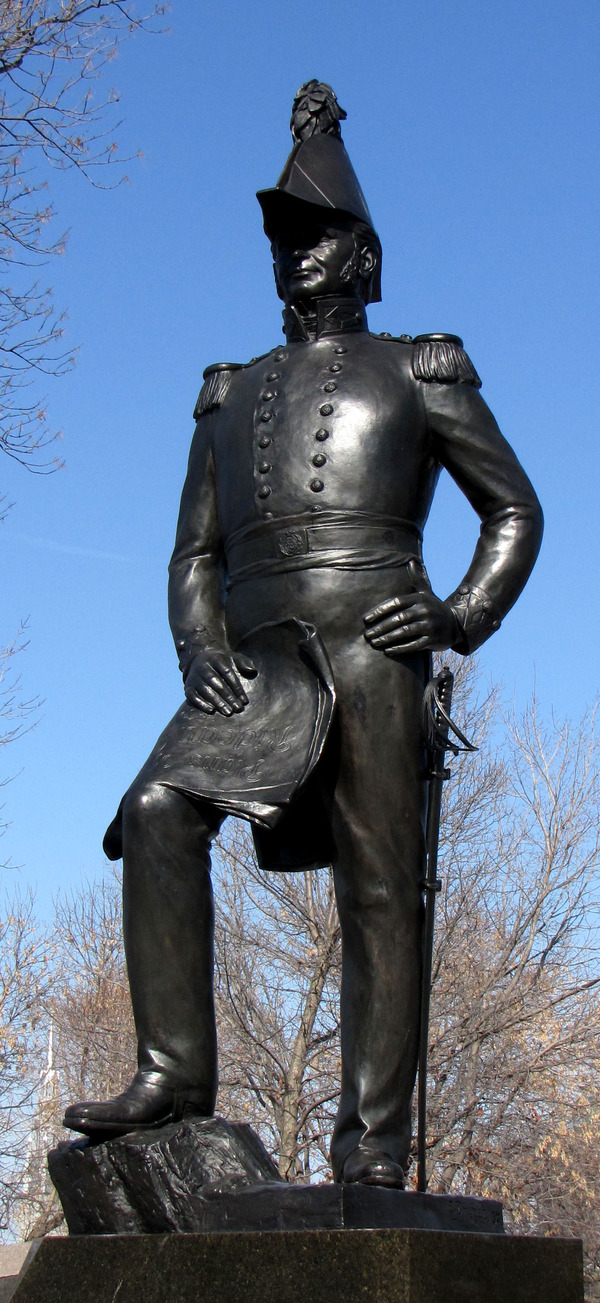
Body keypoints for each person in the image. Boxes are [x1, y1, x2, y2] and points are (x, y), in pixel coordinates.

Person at [64, 82, 543, 1188]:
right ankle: (174, 1077)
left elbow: (514, 507)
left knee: (378, 891)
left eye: (318, 237)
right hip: (258, 663)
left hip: (375, 651)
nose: (297, 256)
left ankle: (368, 1148)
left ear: (364, 257)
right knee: (154, 811)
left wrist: (461, 613)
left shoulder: (421, 369)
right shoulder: (228, 395)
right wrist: (200, 648)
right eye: (284, 239)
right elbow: (192, 551)